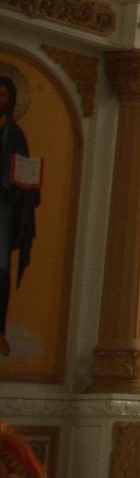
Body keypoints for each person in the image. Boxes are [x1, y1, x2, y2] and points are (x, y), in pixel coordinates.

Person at [0, 73, 36, 353]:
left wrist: (27, 187)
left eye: (3, 95)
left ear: (10, 101)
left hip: (5, 210)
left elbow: (25, 174)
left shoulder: (17, 134)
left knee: (1, 270)